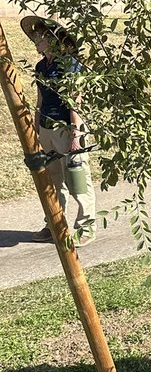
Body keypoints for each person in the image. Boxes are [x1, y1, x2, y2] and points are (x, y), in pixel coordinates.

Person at [20, 15, 96, 243]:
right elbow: (40, 100)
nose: (35, 41)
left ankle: (86, 226)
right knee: (53, 181)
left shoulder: (70, 65)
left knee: (78, 177)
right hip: (47, 128)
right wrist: (35, 129)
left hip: (67, 129)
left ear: (52, 40)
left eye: (40, 37)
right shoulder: (42, 66)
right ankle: (54, 225)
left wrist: (76, 133)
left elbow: (76, 101)